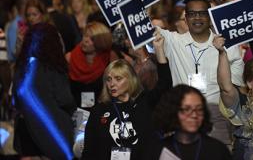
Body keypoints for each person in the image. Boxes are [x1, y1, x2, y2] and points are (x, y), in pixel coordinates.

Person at [159, 0, 244, 146]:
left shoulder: (228, 46)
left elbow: (234, 92)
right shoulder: (173, 41)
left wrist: (222, 52)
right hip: (183, 115)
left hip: (217, 116)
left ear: (210, 17)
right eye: (191, 14)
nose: (197, 17)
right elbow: (142, 29)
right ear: (185, 18)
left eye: (202, 13)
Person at [81, 29, 172, 160]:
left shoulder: (144, 102)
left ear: (130, 80)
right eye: (109, 79)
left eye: (118, 79)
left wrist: (159, 50)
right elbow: (89, 151)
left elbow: (165, 83)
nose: (112, 84)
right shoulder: (99, 110)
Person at [13, 23, 76, 160]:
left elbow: (15, 101)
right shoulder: (54, 67)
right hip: (52, 131)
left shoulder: (21, 67)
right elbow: (64, 99)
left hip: (26, 130)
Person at [146, 84, 232, 160]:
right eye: (187, 109)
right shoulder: (157, 150)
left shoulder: (217, 150)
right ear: (173, 111)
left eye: (199, 109)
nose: (194, 115)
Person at [66, 21, 118, 109]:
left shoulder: (110, 58)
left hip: (104, 110)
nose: (85, 40)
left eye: (92, 39)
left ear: (101, 41)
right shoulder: (69, 58)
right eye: (85, 36)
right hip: (76, 112)